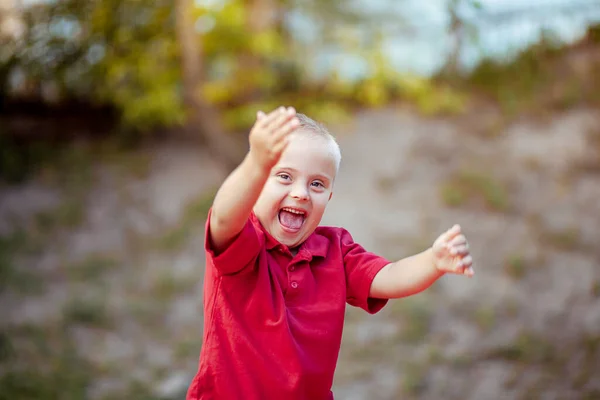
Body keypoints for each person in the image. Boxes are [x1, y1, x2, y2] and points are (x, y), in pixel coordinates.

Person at [186, 106, 474, 400]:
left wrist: (433, 261)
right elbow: (223, 218)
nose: (301, 193)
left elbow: (390, 276)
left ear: (329, 196)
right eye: (284, 176)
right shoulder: (245, 242)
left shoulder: (335, 250)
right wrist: (257, 164)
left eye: (317, 184)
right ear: (256, 185)